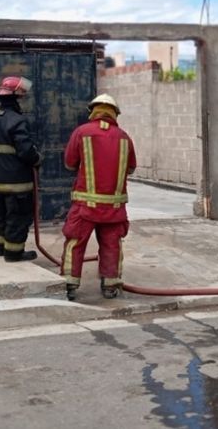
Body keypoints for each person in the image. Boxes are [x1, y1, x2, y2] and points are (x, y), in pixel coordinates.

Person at [60, 94, 137, 301]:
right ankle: (110, 285)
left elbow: (69, 163)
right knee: (112, 244)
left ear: (93, 110)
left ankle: (70, 284)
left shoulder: (81, 133)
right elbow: (130, 168)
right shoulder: (124, 137)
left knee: (75, 243)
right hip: (114, 209)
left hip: (85, 207)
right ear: (114, 113)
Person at [0, 76, 42, 262]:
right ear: (16, 98)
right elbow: (26, 152)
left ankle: (1, 248)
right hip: (17, 183)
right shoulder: (17, 121)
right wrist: (38, 158)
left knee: (4, 215)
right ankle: (14, 253)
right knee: (18, 217)